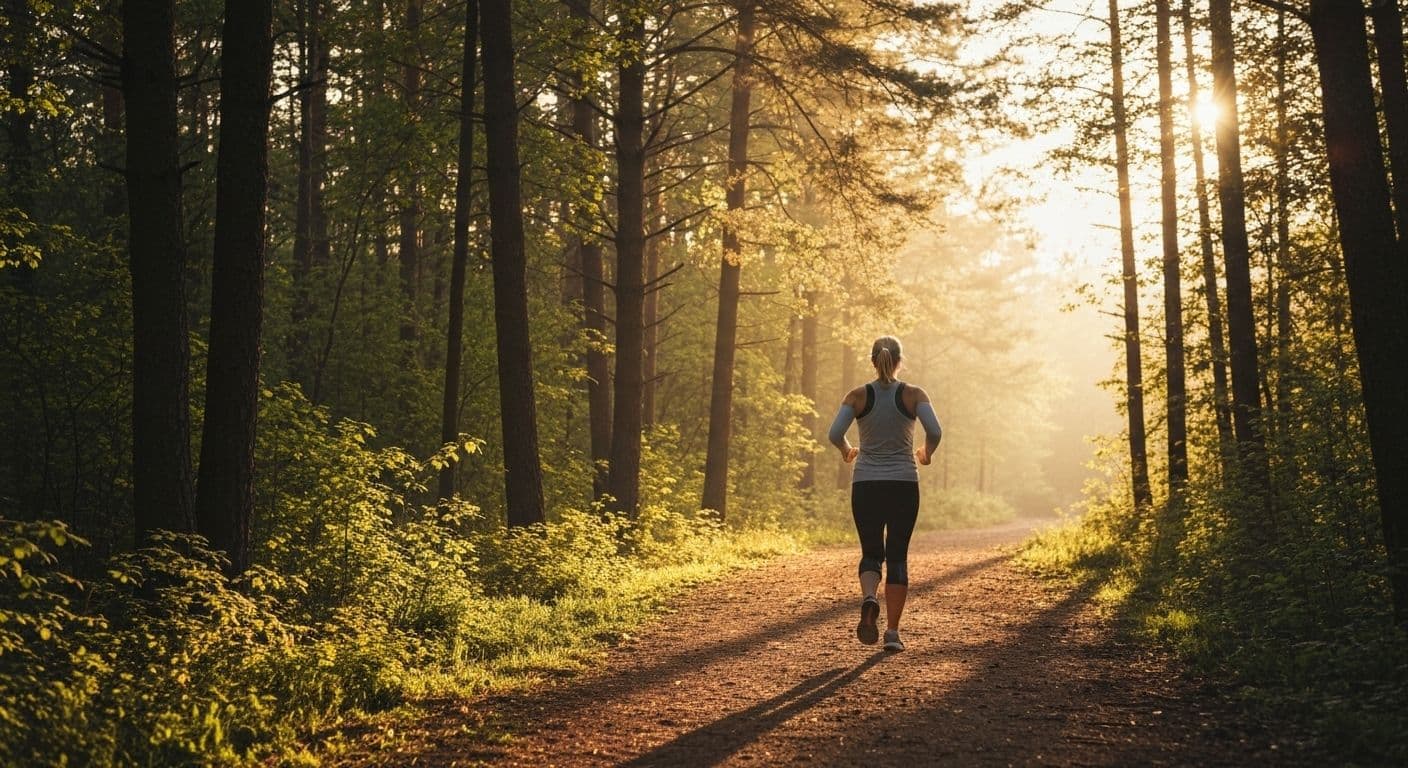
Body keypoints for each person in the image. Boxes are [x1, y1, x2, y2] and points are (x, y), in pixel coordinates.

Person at [826, 335, 942, 652]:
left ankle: (868, 599)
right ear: (899, 360)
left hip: (866, 484)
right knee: (898, 555)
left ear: (872, 360)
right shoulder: (914, 395)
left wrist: (848, 451)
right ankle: (892, 633)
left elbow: (834, 433)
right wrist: (927, 454)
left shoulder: (858, 395)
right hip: (904, 483)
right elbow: (935, 431)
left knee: (871, 552)